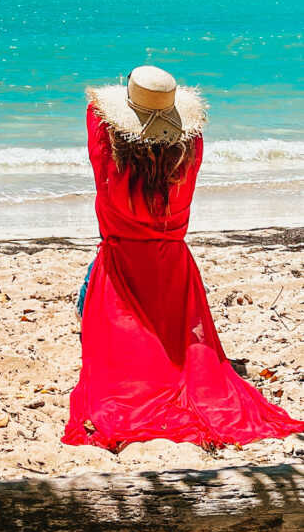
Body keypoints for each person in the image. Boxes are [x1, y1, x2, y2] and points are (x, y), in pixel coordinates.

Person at [64, 65, 304, 451]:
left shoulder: (108, 159)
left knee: (102, 302)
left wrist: (129, 93)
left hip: (122, 263)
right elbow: (192, 131)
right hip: (172, 264)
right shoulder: (189, 156)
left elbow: (95, 113)